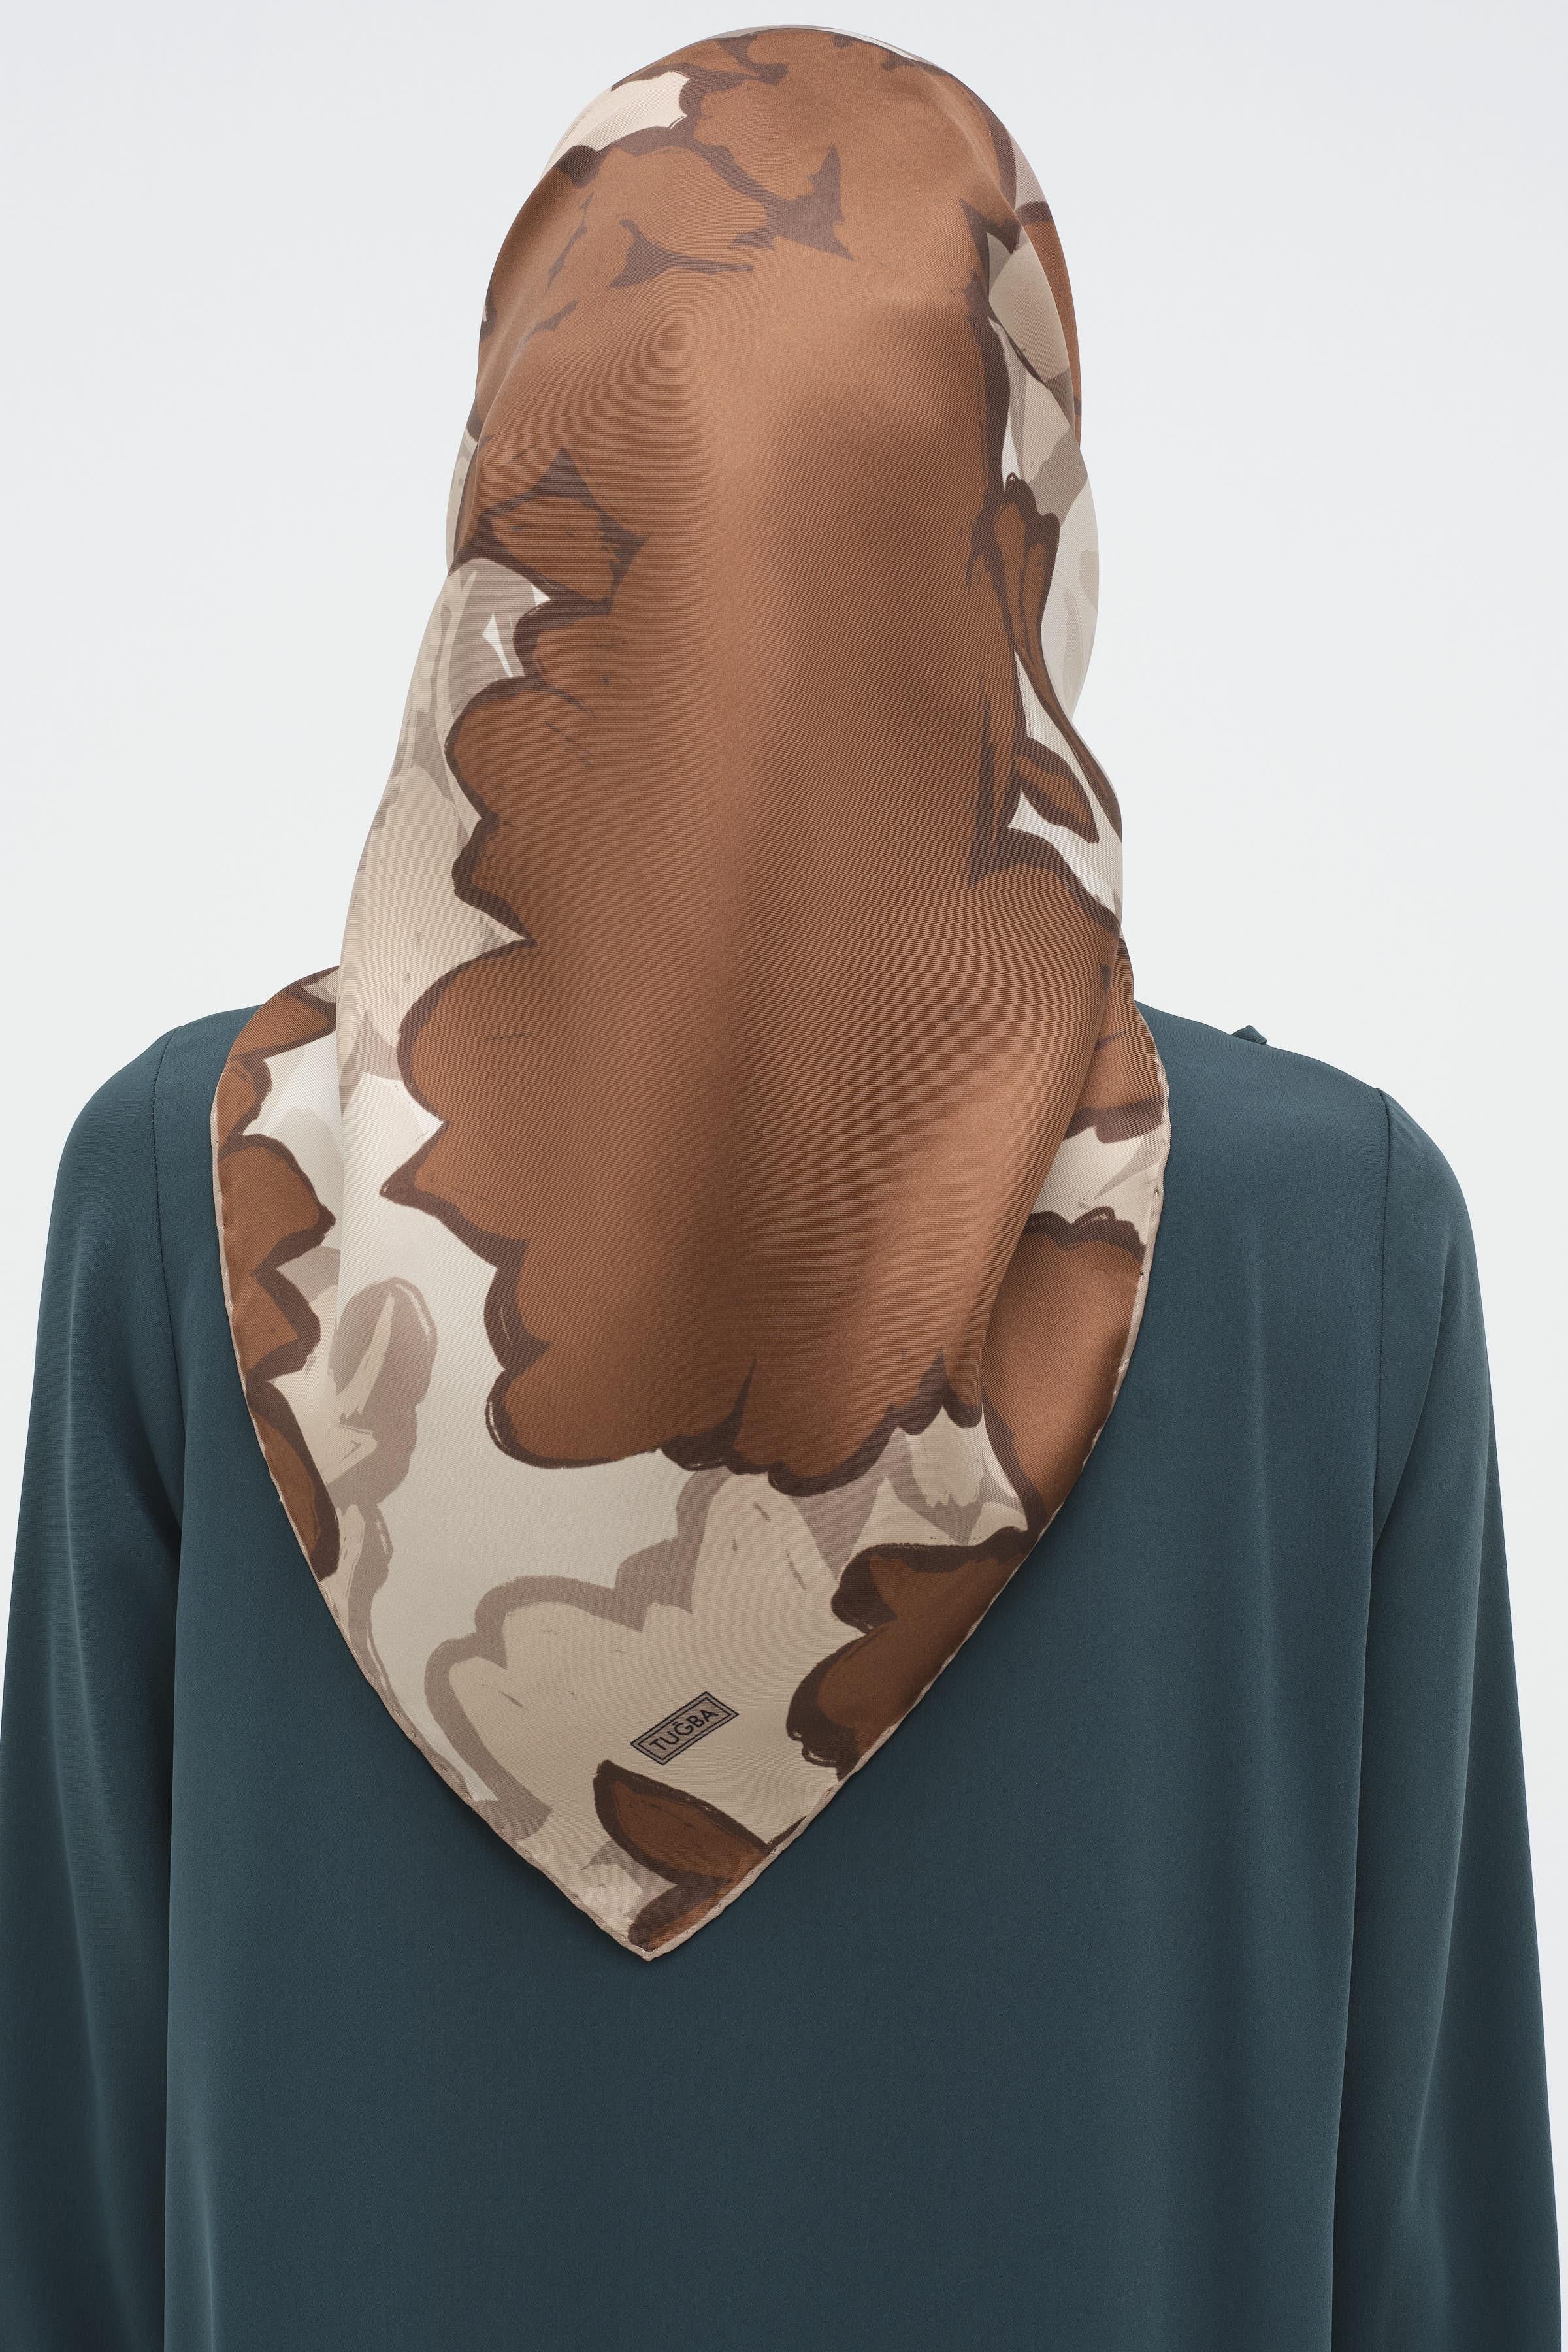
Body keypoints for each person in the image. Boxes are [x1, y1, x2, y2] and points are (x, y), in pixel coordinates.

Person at [0, 27, 1556, 2349]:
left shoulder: (196, 1203)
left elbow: (70, 2218)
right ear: (1015, 514)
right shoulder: (1333, 1258)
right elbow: (1433, 2243)